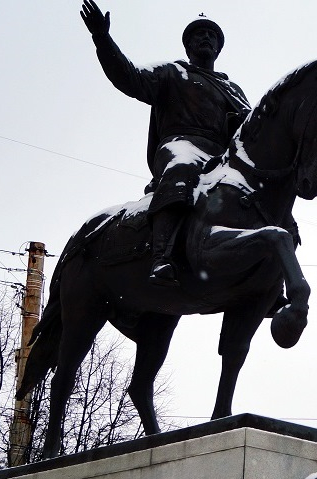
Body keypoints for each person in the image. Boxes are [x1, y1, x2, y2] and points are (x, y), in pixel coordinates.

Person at [80, 0, 251, 286]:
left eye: (212, 35)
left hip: (221, 158)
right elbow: (129, 77)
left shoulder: (233, 90)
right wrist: (102, 38)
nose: (206, 38)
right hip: (180, 144)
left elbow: (251, 130)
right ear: (187, 45)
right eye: (199, 34)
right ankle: (162, 255)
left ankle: (266, 275)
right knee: (183, 166)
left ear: (219, 48)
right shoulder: (171, 72)